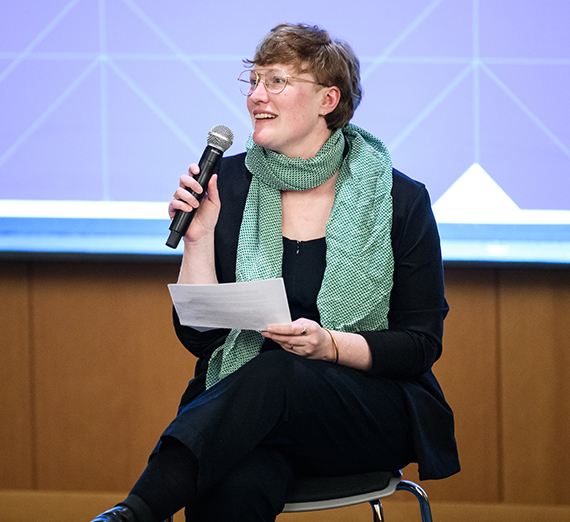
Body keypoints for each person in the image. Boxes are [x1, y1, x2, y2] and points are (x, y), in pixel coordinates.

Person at [91, 22, 460, 522]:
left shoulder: (398, 198)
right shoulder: (227, 183)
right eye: (254, 81)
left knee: (279, 373)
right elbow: (203, 339)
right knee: (236, 479)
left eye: (277, 82)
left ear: (328, 100)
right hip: (250, 410)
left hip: (366, 408)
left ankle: (134, 513)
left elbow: (420, 344)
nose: (256, 96)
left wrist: (327, 345)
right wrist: (197, 242)